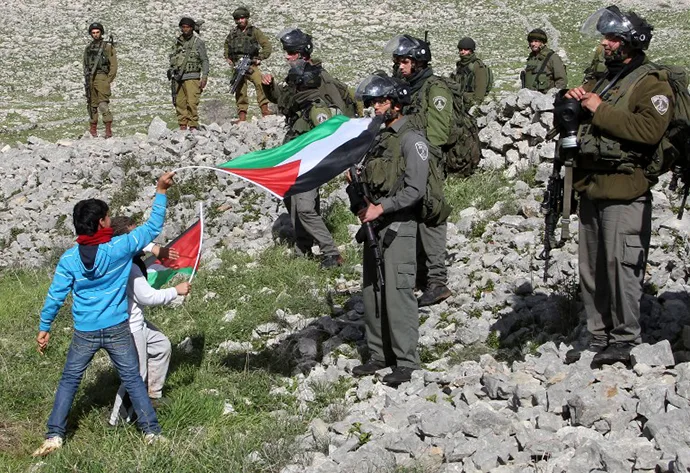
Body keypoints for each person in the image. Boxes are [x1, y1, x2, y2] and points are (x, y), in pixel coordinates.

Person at [32, 172, 175, 457]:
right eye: (108, 218)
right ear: (101, 223)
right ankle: (151, 433)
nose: (111, 221)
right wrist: (160, 190)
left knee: (69, 380)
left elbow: (55, 296)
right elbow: (152, 227)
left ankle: (54, 436)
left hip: (84, 330)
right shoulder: (118, 249)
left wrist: (45, 326)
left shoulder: (69, 259)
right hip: (117, 328)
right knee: (133, 378)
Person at [562, 6, 672, 365]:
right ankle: (598, 335)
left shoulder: (650, 82)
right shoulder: (604, 79)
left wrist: (598, 108)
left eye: (612, 39)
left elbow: (648, 130)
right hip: (592, 188)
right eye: (604, 38)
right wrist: (574, 102)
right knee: (591, 268)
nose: (605, 44)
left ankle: (624, 339)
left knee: (620, 267)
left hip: (625, 191)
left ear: (630, 43)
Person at [350, 74, 429, 385]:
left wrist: (380, 209)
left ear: (397, 102)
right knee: (372, 291)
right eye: (373, 103)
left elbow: (415, 190)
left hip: (400, 225)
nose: (376, 108)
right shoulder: (379, 140)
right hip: (376, 225)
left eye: (382, 102)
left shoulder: (412, 140)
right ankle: (379, 354)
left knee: (397, 293)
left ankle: (407, 360)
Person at [262, 27, 357, 268]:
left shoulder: (320, 78)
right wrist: (269, 87)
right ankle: (303, 246)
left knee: (304, 205)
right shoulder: (296, 75)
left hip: (311, 151)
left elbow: (339, 117)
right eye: (286, 52)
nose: (287, 57)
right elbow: (283, 101)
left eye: (291, 52)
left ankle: (330, 252)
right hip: (294, 146)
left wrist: (344, 155)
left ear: (303, 53)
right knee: (290, 196)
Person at [385, 34, 452, 307]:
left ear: (419, 62)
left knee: (432, 215)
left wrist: (407, 126)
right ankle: (421, 277)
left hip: (429, 161)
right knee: (412, 214)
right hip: (410, 158)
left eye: (405, 62)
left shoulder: (434, 89)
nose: (401, 67)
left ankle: (437, 282)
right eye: (399, 62)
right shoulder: (407, 87)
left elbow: (438, 134)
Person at [108, 216, 191, 426]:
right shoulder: (130, 268)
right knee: (135, 373)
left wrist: (156, 248)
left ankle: (152, 396)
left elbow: (140, 240)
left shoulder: (126, 255)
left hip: (137, 321)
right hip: (129, 327)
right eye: (135, 235)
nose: (140, 238)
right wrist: (176, 291)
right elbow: (148, 297)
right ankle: (117, 419)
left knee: (162, 345)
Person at [224, 7, 273, 121]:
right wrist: (228, 58)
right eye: (238, 19)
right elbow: (226, 46)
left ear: (246, 18)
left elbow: (267, 46)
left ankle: (265, 110)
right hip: (238, 65)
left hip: (251, 63)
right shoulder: (233, 33)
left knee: (260, 83)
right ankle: (242, 116)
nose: (240, 21)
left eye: (242, 18)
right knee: (240, 89)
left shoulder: (254, 31)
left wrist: (260, 57)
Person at [169, 17, 209, 131]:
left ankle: (192, 125)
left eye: (187, 27)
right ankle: (182, 125)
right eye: (183, 27)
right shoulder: (178, 42)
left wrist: (204, 76)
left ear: (192, 28)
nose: (185, 29)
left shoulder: (198, 43)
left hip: (192, 76)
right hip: (178, 77)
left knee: (192, 102)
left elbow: (204, 60)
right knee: (179, 102)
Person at [83, 22, 117, 138]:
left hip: (102, 77)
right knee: (91, 105)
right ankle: (93, 131)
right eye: (93, 33)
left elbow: (113, 65)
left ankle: (108, 131)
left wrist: (108, 80)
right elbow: (85, 64)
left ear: (101, 33)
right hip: (90, 79)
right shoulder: (88, 48)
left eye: (97, 32)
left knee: (103, 104)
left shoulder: (107, 47)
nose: (95, 35)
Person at [521, 28, 567, 92]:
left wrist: (554, 96)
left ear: (542, 42)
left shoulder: (552, 57)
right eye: (531, 41)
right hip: (530, 98)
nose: (533, 44)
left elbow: (561, 80)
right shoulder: (531, 58)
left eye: (536, 41)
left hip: (546, 99)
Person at [450, 36, 490, 104]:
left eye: (466, 50)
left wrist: (464, 96)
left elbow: (479, 96)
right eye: (461, 49)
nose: (462, 52)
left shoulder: (477, 66)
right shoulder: (460, 65)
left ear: (471, 50)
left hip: (470, 102)